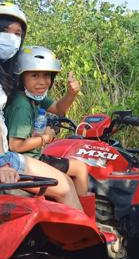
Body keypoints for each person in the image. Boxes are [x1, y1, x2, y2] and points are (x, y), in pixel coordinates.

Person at [0, 3, 82, 211]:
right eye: (4, 30)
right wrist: (2, 163)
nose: (11, 37)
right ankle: (86, 242)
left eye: (17, 33)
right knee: (65, 185)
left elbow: (57, 108)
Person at [5, 46, 90, 201]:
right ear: (21, 77)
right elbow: (15, 145)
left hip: (32, 156)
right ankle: (82, 217)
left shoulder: (34, 95)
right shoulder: (22, 105)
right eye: (35, 75)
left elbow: (59, 108)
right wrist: (46, 138)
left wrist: (71, 94)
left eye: (46, 76)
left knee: (79, 167)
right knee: (79, 169)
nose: (42, 82)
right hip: (24, 160)